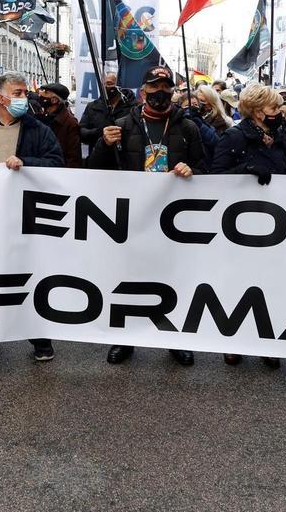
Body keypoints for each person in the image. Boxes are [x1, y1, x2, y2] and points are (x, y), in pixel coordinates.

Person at [90, 65, 201, 366]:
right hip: (132, 217)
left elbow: (208, 168)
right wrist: (104, 143)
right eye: (154, 89)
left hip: (173, 219)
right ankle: (124, 339)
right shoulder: (123, 125)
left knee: (173, 278)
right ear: (143, 93)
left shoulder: (188, 128)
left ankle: (174, 337)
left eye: (166, 89)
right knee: (127, 277)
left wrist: (194, 171)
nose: (160, 95)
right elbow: (96, 171)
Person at [0, 72, 64, 362]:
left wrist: (27, 163)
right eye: (17, 93)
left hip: (25, 217)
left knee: (27, 275)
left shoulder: (38, 131)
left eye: (23, 92)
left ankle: (40, 339)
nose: (23, 98)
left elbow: (57, 163)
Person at [211, 84, 286, 369]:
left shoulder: (282, 136)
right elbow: (216, 177)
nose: (279, 113)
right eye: (274, 109)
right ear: (259, 112)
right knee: (239, 284)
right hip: (241, 225)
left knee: (272, 285)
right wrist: (244, 171)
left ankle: (268, 343)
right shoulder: (234, 137)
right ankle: (234, 341)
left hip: (276, 224)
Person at [79, 71, 134, 149]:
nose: (105, 87)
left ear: (118, 85)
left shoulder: (132, 107)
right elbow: (81, 132)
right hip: (98, 155)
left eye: (109, 83)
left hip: (124, 156)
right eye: (103, 84)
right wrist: (99, 132)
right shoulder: (92, 106)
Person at [35, 82, 81, 168]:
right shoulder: (40, 117)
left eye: (46, 93)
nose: (41, 94)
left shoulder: (70, 123)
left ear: (54, 100)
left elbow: (73, 158)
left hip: (58, 171)